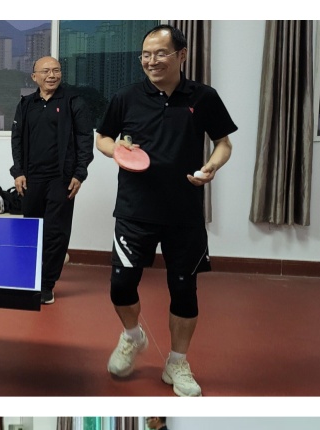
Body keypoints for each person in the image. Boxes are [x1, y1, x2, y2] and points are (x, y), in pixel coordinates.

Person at [96, 25, 236, 397]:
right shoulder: (126, 97)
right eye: (146, 54)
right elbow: (103, 138)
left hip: (183, 211)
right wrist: (117, 151)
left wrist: (211, 166)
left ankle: (177, 361)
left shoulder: (203, 97)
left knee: (184, 288)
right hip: (134, 208)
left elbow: (223, 143)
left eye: (160, 53)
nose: (151, 61)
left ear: (181, 55)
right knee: (121, 284)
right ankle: (132, 336)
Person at [10, 56, 94, 305]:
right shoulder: (26, 104)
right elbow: (16, 139)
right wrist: (18, 172)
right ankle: (30, 277)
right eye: (46, 71)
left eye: (56, 70)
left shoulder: (73, 102)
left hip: (62, 178)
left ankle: (46, 284)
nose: (52, 75)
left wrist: (79, 173)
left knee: (55, 232)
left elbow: (85, 139)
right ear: (34, 76)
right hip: (31, 178)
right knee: (32, 230)